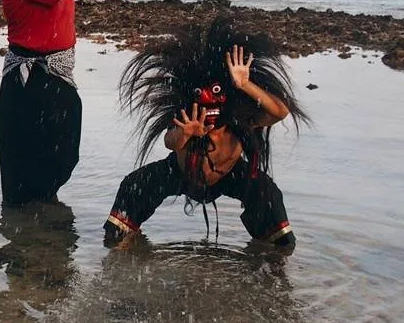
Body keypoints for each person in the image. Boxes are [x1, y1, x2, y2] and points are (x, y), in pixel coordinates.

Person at [103, 16, 309, 249]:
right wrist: (186, 133)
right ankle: (119, 248)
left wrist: (244, 84)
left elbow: (280, 112)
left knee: (267, 195)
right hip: (180, 173)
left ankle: (276, 259)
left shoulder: (241, 120)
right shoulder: (187, 115)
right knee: (134, 186)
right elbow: (170, 142)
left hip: (229, 176)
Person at [0, 0, 149, 205]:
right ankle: (30, 218)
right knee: (32, 152)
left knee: (61, 149)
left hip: (54, 74)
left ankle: (37, 211)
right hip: (31, 78)